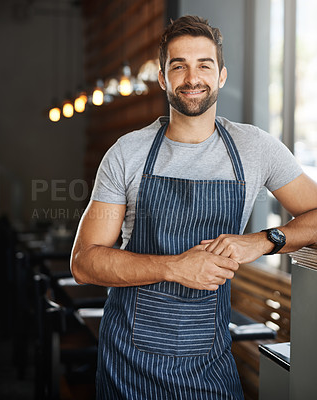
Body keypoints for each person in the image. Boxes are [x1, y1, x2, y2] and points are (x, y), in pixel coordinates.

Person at [71, 15, 317, 399]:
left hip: (209, 360)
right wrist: (175, 267)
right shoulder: (127, 153)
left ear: (220, 76)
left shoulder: (254, 148)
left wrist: (264, 240)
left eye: (204, 64)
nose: (192, 77)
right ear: (164, 78)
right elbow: (84, 262)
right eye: (178, 65)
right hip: (129, 363)